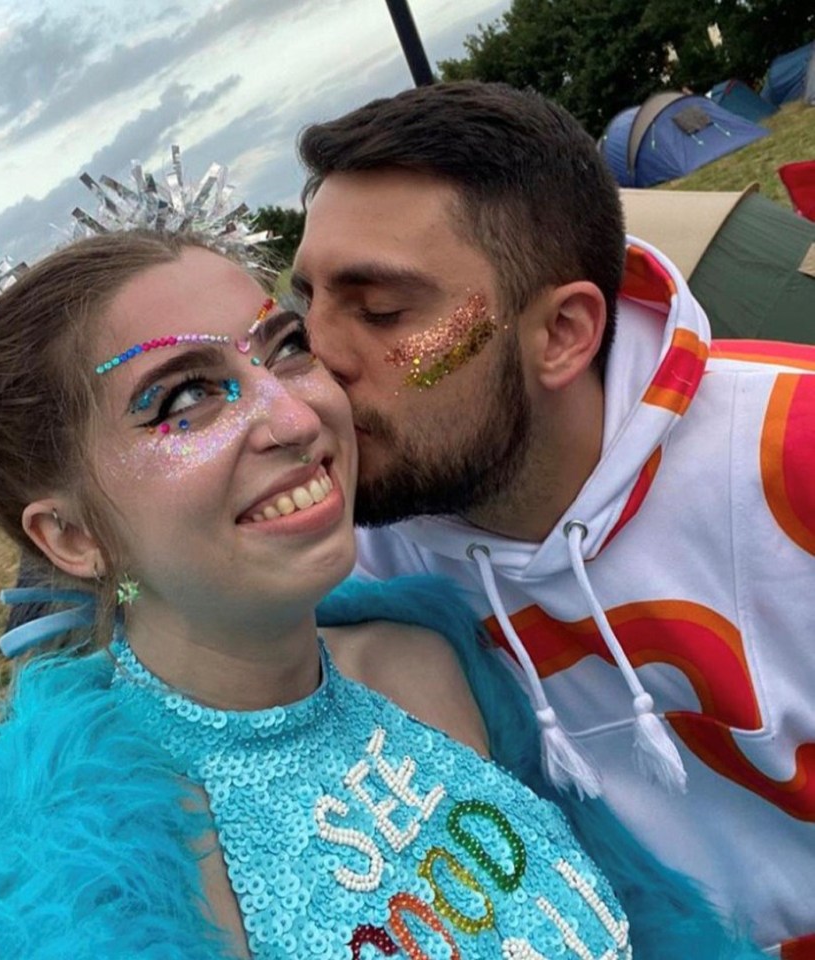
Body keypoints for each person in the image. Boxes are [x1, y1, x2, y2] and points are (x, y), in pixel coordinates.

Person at [0, 190, 764, 958]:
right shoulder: (81, 883)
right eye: (185, 401)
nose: (297, 416)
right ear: (71, 536)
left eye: (284, 349)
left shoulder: (429, 653)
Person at [292, 81, 815, 958]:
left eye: (381, 311)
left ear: (564, 333)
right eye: (301, 306)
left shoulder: (787, 455)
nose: (316, 366)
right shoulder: (347, 558)